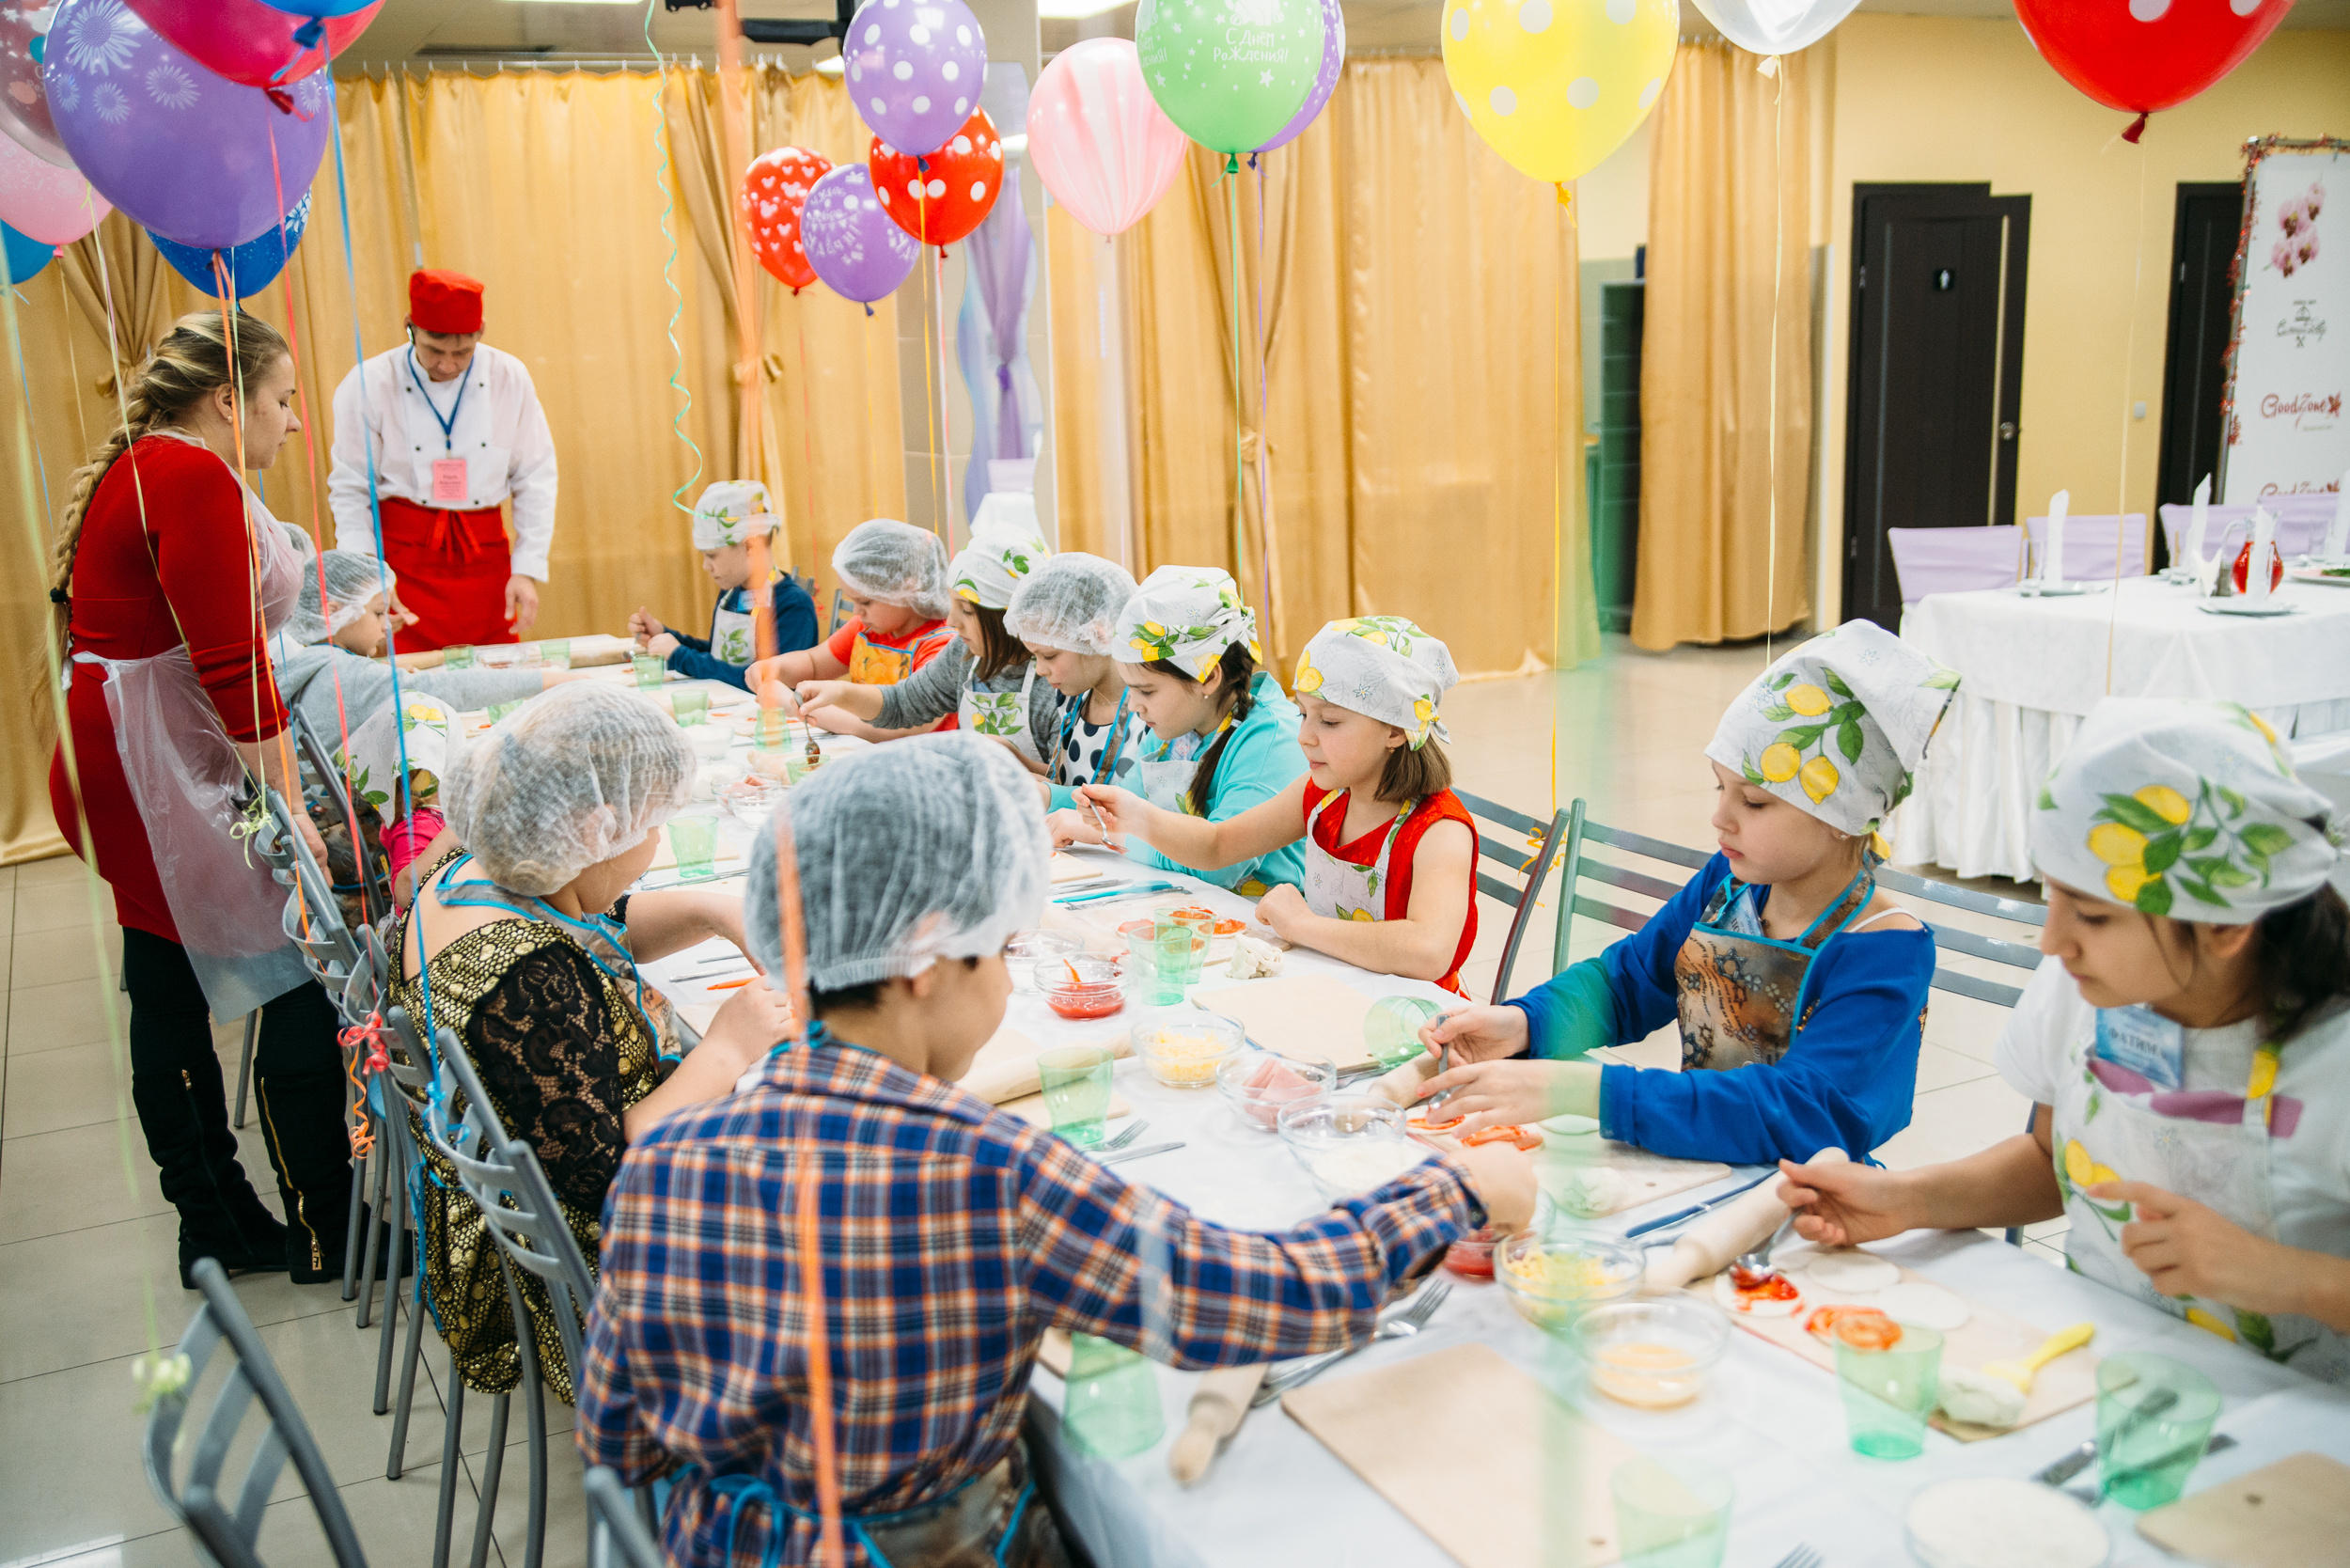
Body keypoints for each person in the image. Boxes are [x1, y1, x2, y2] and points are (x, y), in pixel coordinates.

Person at [576, 735, 1536, 1566]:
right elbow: (1266, 1296)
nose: (1002, 987)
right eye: (998, 953)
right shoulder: (987, 1172)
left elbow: (615, 1441)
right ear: (923, 963)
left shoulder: (668, 1160)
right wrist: (1450, 1186)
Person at [1779, 698, 2350, 1381]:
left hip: (2297, 1423)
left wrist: (2290, 1278)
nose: (2052, 942)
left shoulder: (2334, 1058)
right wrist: (1909, 1201)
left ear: (2227, 927)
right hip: (2100, 1361)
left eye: (2093, 916)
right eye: (2053, 898)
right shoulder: (2084, 987)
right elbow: (2052, 1159)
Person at [41, 312, 358, 1288]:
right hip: (151, 767)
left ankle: (216, 1218)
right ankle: (321, 1227)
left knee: (168, 979)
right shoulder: (189, 474)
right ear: (231, 399)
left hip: (130, 750)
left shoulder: (158, 461)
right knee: (297, 960)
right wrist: (289, 808)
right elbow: (229, 663)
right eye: (283, 399)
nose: (294, 422)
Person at [1411, 620, 1959, 1164]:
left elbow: (1801, 1110)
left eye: (1755, 802)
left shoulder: (1884, 950)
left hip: (1805, 1196)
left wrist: (1593, 1093)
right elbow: (1630, 981)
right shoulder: (1730, 885)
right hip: (1695, 1153)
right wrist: (1525, 1022)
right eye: (1721, 788)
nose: (1720, 819)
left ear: (1843, 815)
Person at [388, 682, 791, 1403]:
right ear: (596, 830)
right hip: (580, 1270)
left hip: (523, 1207)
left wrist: (711, 909)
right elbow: (602, 1173)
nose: (657, 840)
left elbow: (589, 924)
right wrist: (726, 1049)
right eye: (653, 825)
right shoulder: (528, 980)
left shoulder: (473, 875)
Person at [1079, 617, 1478, 991]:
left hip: (1413, 1020)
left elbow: (1429, 951)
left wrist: (1303, 925)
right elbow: (1218, 845)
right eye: (1304, 713)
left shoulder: (1439, 830)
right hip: (1334, 987)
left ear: (1395, 729)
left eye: (1330, 721)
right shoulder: (1322, 794)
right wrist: (1136, 817)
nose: (1304, 736)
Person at [274, 548, 585, 924]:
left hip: (339, 847)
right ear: (332, 610)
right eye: (377, 612)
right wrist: (545, 680)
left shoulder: (316, 666)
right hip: (368, 872)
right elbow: (441, 688)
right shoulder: (347, 677)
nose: (388, 625)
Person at [327, 269, 556, 651]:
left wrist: (526, 568)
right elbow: (351, 487)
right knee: (412, 685)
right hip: (402, 564)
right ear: (410, 327)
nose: (447, 365)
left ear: (481, 331)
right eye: (434, 350)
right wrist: (368, 580)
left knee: (495, 674)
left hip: (485, 561)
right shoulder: (369, 382)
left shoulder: (509, 376)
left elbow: (535, 476)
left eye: (463, 352)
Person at [1046, 565, 1306, 894]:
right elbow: (1123, 806)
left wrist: (1104, 833)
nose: (1133, 706)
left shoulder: (1268, 737)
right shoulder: (1176, 727)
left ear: (1208, 677)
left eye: (1147, 691)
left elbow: (1219, 865)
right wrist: (1047, 797)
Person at [791, 499, 1055, 760]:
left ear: (1006, 616)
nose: (952, 620)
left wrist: (1014, 762)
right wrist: (839, 692)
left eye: (966, 610)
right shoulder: (965, 654)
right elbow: (901, 704)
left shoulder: (1054, 682)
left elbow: (1069, 784)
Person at [744, 518, 956, 740]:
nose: (857, 611)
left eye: (865, 602)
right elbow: (815, 664)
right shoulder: (867, 628)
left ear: (907, 587)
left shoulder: (941, 645)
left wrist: (798, 706)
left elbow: (896, 731)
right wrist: (773, 667)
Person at [627, 479, 819, 690]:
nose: (705, 566)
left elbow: (769, 684)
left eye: (712, 555)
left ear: (750, 545)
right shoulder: (732, 593)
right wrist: (665, 634)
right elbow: (718, 657)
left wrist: (681, 657)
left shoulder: (794, 606)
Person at [1008, 551, 1145, 808]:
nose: (1040, 670)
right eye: (1035, 656)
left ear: (1098, 636)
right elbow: (1069, 784)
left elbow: (1142, 811)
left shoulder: (1148, 711)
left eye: (1049, 655)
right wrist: (1016, 761)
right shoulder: (1071, 698)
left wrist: (1048, 795)